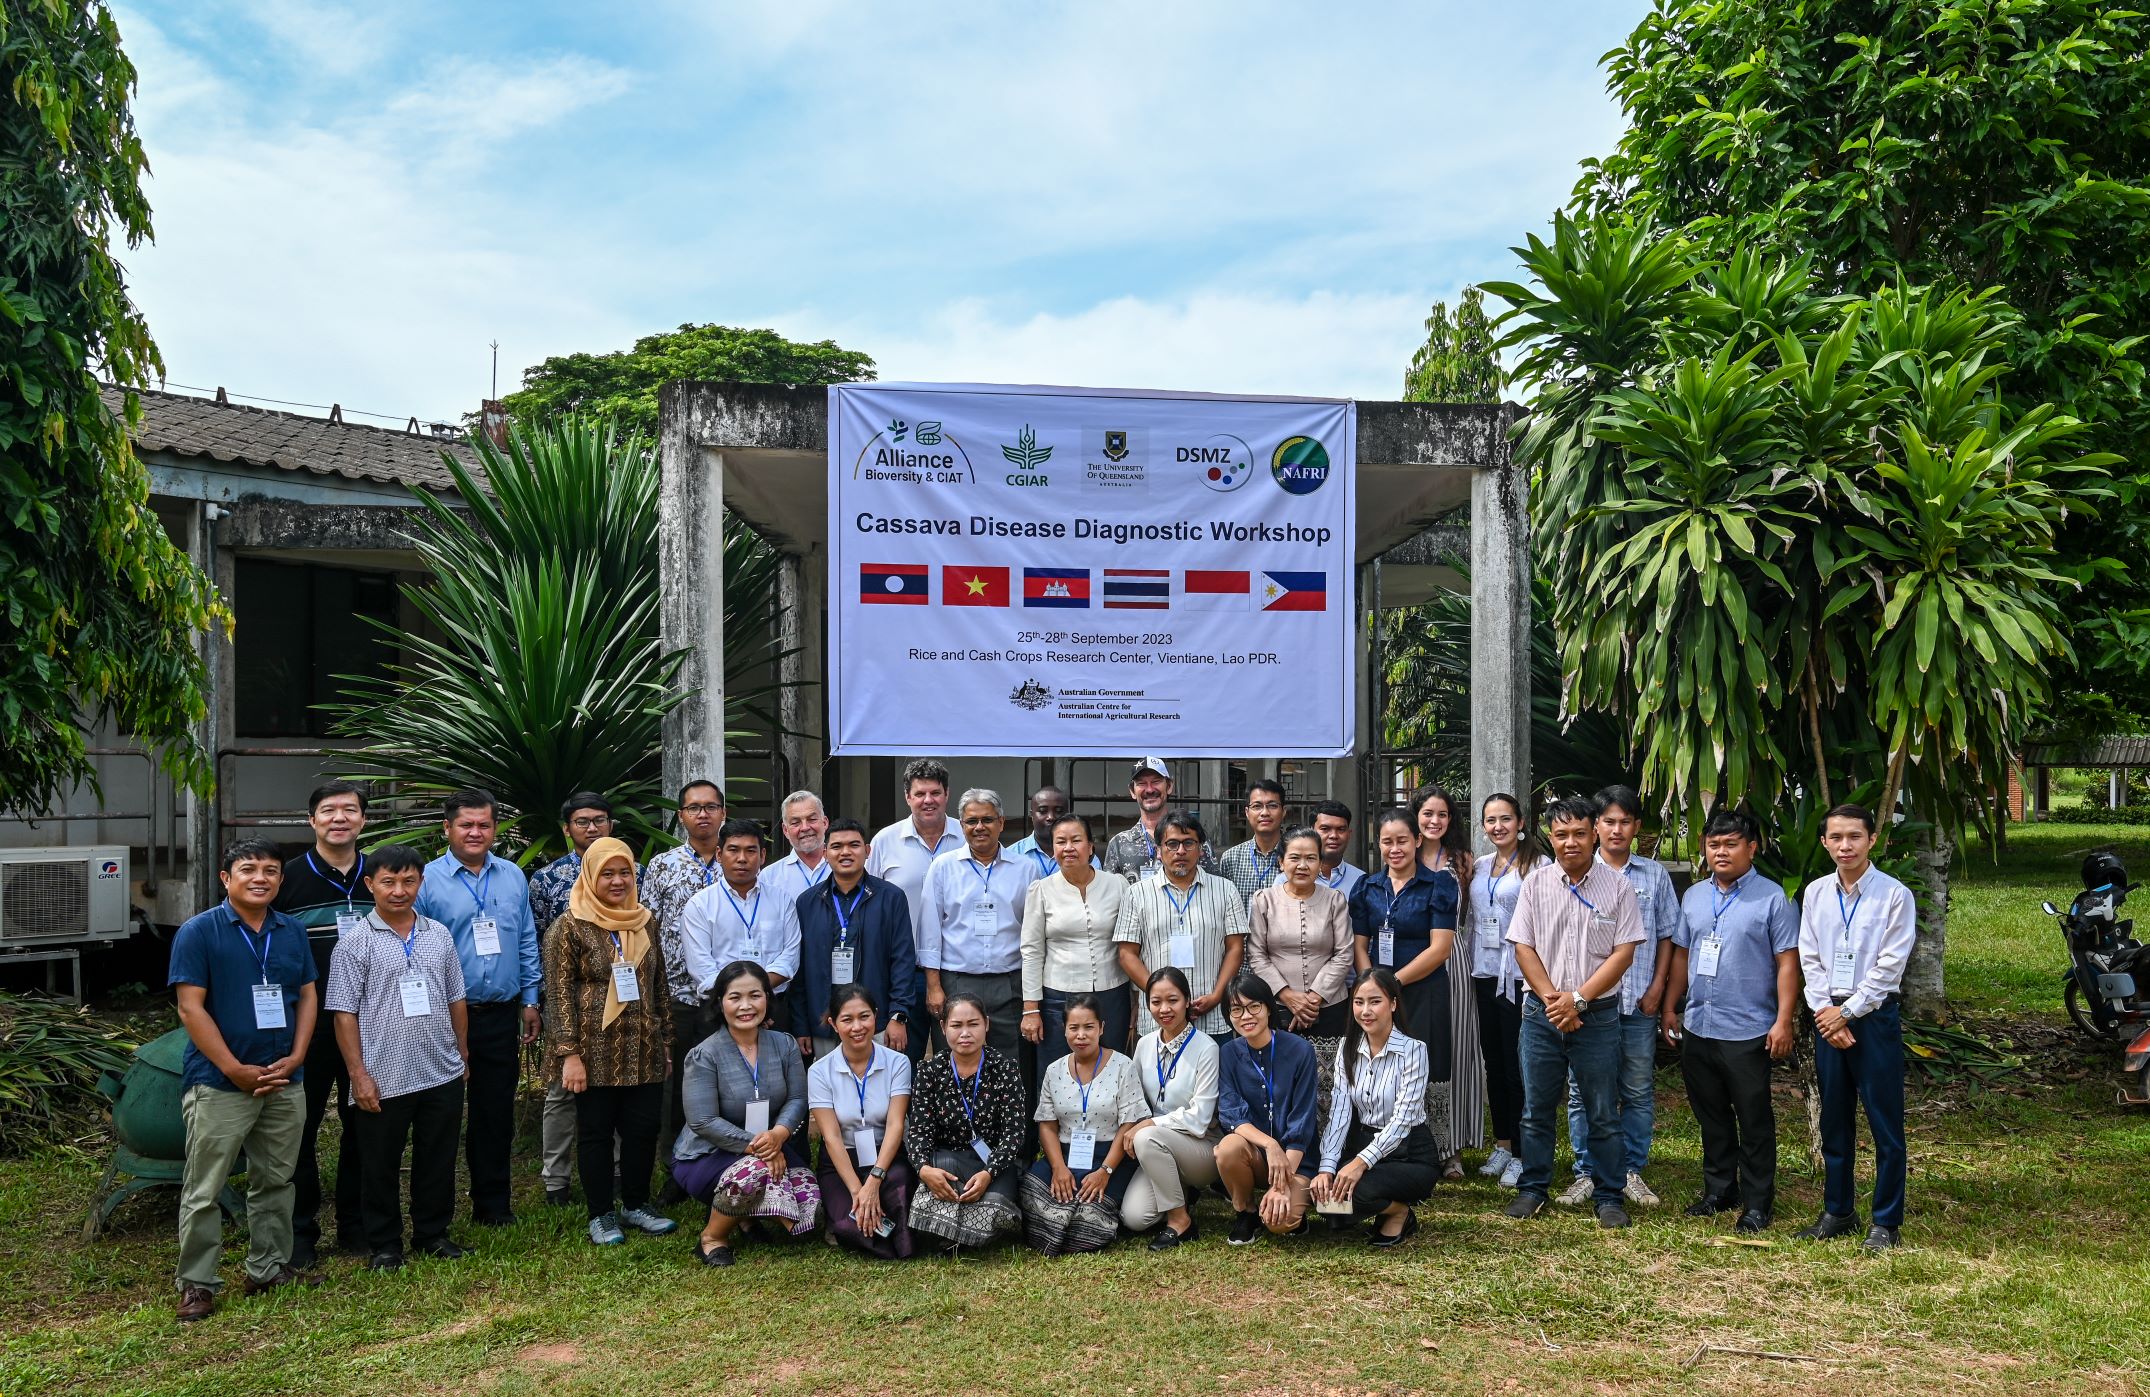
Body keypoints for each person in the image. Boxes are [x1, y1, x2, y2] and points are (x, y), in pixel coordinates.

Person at [170, 840, 320, 1321]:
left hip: (283, 1077)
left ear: (280, 879)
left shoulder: (291, 930)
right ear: (225, 878)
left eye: (271, 871)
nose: (261, 878)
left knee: (276, 1179)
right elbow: (189, 1006)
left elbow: (307, 994)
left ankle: (269, 1266)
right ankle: (197, 1283)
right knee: (205, 1187)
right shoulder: (199, 932)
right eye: (249, 869)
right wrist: (233, 1068)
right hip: (219, 1080)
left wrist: (298, 1055)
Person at [1503, 796, 1645, 1229]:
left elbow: (1624, 953)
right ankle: (1534, 1188)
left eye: (1579, 833)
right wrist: (1553, 1000)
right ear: (1550, 835)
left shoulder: (1618, 886)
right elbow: (1523, 945)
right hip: (1540, 1013)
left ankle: (1608, 1194)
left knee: (1602, 1109)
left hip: (1597, 1015)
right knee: (1536, 1107)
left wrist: (1578, 999)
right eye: (1561, 834)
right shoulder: (1536, 883)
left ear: (1594, 833)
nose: (1570, 842)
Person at [328, 844, 470, 1272]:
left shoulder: (438, 934)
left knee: (438, 1158)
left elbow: (456, 998)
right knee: (380, 1164)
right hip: (383, 1074)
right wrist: (358, 1073)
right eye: (388, 882)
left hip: (439, 1068)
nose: (399, 890)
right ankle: (385, 1245)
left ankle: (432, 1233)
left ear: (421, 883)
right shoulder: (355, 944)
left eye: (409, 881)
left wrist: (462, 1052)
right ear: (370, 884)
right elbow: (343, 1013)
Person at [1662, 807, 1798, 1234]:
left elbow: (1787, 963)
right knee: (1711, 1115)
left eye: (1731, 843)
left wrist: (1783, 1020)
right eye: (1714, 844)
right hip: (1699, 1024)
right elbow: (1682, 955)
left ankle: (1758, 1203)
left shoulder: (1773, 898)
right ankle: (1721, 1190)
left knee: (1754, 1118)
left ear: (1752, 847)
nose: (1721, 852)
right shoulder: (1695, 895)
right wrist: (1671, 1006)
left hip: (1748, 1028)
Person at [545, 837, 681, 1246]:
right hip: (593, 1051)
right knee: (596, 1134)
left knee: (642, 1130)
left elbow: (659, 986)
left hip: (642, 1048)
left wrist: (667, 1040)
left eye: (625, 872)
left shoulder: (645, 921)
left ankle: (636, 1204)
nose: (618, 881)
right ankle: (601, 1213)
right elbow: (558, 993)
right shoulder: (569, 926)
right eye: (608, 873)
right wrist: (568, 1054)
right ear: (590, 875)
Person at [413, 789, 538, 1228]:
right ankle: (435, 1212)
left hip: (501, 1012)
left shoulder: (512, 877)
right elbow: (415, 950)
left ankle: (493, 1205)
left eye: (484, 825)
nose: (475, 832)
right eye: (466, 824)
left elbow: (525, 939)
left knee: (495, 1112)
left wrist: (530, 998)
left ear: (495, 829)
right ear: (447, 829)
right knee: (442, 1116)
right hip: (443, 1016)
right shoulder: (424, 881)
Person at [1794, 803, 1915, 1251]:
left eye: (1855, 837)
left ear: (1872, 841)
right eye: (1836, 838)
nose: (1846, 846)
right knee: (1835, 1120)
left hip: (1873, 1017)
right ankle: (1838, 1210)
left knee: (1885, 1122)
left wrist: (1848, 1013)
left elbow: (1889, 967)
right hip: (1829, 1017)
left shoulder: (1894, 895)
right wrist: (1826, 1012)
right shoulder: (1817, 893)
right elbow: (1810, 957)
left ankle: (1886, 1221)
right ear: (1825, 842)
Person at [1558, 784, 1680, 1209]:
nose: (1616, 829)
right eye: (1608, 821)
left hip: (1636, 1004)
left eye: (1624, 822)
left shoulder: (1654, 875)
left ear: (1637, 827)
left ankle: (1629, 1169)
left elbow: (1667, 936)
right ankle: (1586, 1171)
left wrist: (1658, 990)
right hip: (1588, 1005)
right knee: (1583, 1090)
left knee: (1637, 1088)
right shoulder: (1577, 876)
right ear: (1595, 828)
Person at [270, 780, 370, 1268]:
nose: (339, 819)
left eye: (349, 810)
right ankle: (300, 1234)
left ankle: (356, 1226)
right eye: (328, 811)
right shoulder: (286, 878)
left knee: (363, 1129)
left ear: (363, 820)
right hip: (305, 1028)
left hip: (372, 1027)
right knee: (299, 1130)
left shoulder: (380, 875)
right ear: (312, 821)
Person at [672, 962, 818, 1266]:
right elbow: (702, 1121)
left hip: (770, 1144)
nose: (746, 1006)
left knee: (810, 1208)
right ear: (720, 1003)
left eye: (755, 995)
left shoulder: (785, 1044)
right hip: (707, 1154)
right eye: (735, 997)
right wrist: (758, 1148)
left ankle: (744, 1215)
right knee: (755, 1174)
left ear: (767, 997)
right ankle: (712, 1238)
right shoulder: (704, 1054)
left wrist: (778, 1135)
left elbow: (796, 1098)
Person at [526, 790, 622, 1210]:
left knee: (620, 1086)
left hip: (621, 1004)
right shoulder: (546, 880)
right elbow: (540, 943)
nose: (592, 828)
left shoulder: (631, 871)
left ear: (611, 825)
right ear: (567, 830)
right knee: (562, 1094)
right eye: (582, 821)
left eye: (599, 820)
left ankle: (616, 1171)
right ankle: (556, 1179)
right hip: (567, 1005)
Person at [1349, 810, 1455, 1165]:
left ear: (1417, 841)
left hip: (1423, 989)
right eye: (1387, 841)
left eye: (1402, 841)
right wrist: (1371, 989)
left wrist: (1392, 984)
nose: (1395, 849)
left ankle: (1436, 1150)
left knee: (1428, 1063)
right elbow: (1360, 945)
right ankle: (1384, 1145)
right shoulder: (1366, 887)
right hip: (1379, 996)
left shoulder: (1439, 884)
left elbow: (1440, 948)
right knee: (1382, 1064)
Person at [1311, 969, 1437, 1247]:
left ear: (1393, 1004)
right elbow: (1340, 1114)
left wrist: (1358, 1164)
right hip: (1365, 1144)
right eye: (1358, 1002)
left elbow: (1402, 1121)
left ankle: (1399, 1211)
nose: (1365, 1011)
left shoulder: (1414, 1050)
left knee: (1354, 1195)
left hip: (1409, 1153)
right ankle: (1381, 1203)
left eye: (1375, 1001)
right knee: (1324, 1200)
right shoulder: (1347, 1046)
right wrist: (1327, 1168)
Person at [640, 779, 729, 1166]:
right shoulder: (663, 865)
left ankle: (725, 1158)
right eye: (694, 808)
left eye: (710, 807)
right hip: (679, 996)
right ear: (681, 816)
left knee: (728, 1082)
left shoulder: (741, 859)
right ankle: (676, 1163)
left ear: (723, 813)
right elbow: (649, 930)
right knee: (678, 1085)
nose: (703, 814)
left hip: (732, 998)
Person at [1023, 994, 1146, 1255]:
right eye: (1074, 1028)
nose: (1081, 1035)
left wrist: (1105, 1172)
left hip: (1112, 1157)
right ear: (1064, 1030)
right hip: (1065, 1156)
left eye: (1089, 1027)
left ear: (1101, 1028)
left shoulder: (1123, 1066)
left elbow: (1129, 1124)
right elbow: (1047, 1124)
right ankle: (1063, 1219)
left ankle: (1070, 1225)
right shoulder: (1054, 1070)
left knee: (1088, 1214)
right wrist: (1058, 1168)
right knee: (1030, 1189)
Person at [918, 789, 1036, 1059]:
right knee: (955, 1061)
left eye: (987, 820)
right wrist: (934, 987)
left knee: (1010, 1062)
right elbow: (929, 930)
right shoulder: (943, 867)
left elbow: (1033, 932)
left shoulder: (1025, 868)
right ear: (961, 826)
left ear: (1001, 823)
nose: (979, 827)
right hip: (956, 981)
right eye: (971, 821)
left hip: (1009, 983)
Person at [905, 995, 1026, 1250]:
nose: (965, 1033)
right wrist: (924, 1169)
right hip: (949, 1161)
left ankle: (947, 1234)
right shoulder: (930, 1071)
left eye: (973, 1024)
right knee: (938, 1186)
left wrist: (988, 1173)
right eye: (956, 1025)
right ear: (942, 1028)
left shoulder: (1005, 1069)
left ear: (987, 1025)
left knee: (996, 1205)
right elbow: (918, 1130)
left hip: (992, 1164)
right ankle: (968, 1235)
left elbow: (1014, 1133)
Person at [806, 984, 917, 1259]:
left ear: (876, 1016)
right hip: (841, 1161)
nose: (857, 1026)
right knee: (849, 1224)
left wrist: (874, 1182)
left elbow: (895, 1126)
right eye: (847, 1019)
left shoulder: (898, 1063)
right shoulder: (820, 1071)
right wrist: (859, 1190)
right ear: (833, 1024)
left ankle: (892, 1232)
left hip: (887, 1159)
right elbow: (830, 1137)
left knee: (901, 1206)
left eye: (864, 1016)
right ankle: (846, 1223)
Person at [1467, 793, 1544, 1191]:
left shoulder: (1537, 866)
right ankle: (1501, 1144)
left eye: (1505, 819)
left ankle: (1522, 1152)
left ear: (1520, 822)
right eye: (1491, 820)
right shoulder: (1479, 866)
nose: (1498, 826)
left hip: (1519, 977)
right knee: (1493, 1062)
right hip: (1484, 972)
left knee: (1518, 1068)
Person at [791, 819, 917, 1061]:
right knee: (830, 1092)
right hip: (823, 1022)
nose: (846, 852)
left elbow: (902, 959)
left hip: (877, 1022)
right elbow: (799, 971)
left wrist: (898, 1015)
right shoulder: (807, 902)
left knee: (878, 1091)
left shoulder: (891, 898)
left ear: (867, 851)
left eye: (854, 845)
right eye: (837, 846)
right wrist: (801, 1025)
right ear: (826, 853)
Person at [1116, 810, 1246, 1041]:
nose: (1181, 851)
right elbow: (1127, 955)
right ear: (1158, 850)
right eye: (1172, 844)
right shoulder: (1136, 894)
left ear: (1201, 848)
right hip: (1158, 1019)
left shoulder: (1226, 890)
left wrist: (1216, 997)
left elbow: (1235, 948)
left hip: (1212, 1017)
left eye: (1189, 843)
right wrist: (1161, 997)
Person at [868, 758, 963, 1058]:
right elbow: (870, 904)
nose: (928, 800)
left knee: (955, 1059)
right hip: (902, 972)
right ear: (907, 797)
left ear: (947, 794)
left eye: (935, 793)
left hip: (955, 969)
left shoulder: (967, 838)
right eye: (920, 794)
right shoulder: (885, 841)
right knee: (900, 1059)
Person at [1021, 813, 1130, 1070]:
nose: (1068, 848)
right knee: (1058, 1070)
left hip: (1112, 993)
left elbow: (1131, 944)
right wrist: (1031, 1009)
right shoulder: (1041, 890)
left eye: (1076, 840)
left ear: (1091, 846)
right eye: (1060, 842)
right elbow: (1032, 951)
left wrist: (1136, 1000)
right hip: (1058, 995)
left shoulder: (1117, 885)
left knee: (1111, 1068)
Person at [1214, 975, 1318, 1244]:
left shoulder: (1300, 1050)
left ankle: (1291, 1204)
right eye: (1236, 1010)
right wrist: (1270, 1145)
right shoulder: (1228, 1053)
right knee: (1228, 1146)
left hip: (1297, 1160)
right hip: (1258, 1158)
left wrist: (1282, 1185)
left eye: (1253, 1007)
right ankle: (1246, 1211)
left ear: (1269, 1007)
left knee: (1281, 1223)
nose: (1245, 1016)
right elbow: (1231, 1114)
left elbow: (1303, 1121)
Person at [1122, 968, 1222, 1247]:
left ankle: (1181, 1221)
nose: (1164, 1009)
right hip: (1155, 1148)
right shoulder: (1144, 1045)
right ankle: (1181, 1191)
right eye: (1156, 1002)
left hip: (1201, 1147)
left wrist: (1149, 1124)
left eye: (1173, 1000)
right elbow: (1134, 1100)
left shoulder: (1206, 1048)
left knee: (1146, 1135)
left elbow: (1201, 1117)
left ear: (1187, 1001)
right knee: (1134, 1218)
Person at [1413, 785, 1480, 1178]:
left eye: (1442, 814)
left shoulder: (1462, 861)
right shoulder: (1402, 853)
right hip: (1410, 956)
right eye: (1427, 814)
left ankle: (1452, 1146)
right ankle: (1419, 1140)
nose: (1434, 821)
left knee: (1456, 1050)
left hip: (1451, 958)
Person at [1247, 827, 1354, 1040]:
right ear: (1281, 862)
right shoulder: (1263, 900)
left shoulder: (1335, 899)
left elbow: (1344, 953)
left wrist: (1314, 998)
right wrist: (1288, 997)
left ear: (1320, 862)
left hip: (1330, 1005)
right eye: (1295, 858)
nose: (1303, 866)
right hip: (1277, 1006)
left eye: (1311, 858)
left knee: (1328, 1071)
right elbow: (1256, 955)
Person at [681, 817, 803, 997]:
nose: (742, 859)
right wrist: (744, 996)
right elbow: (702, 968)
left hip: (775, 1002)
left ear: (762, 856)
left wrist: (756, 993)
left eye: (750, 851)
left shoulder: (782, 900)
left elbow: (789, 957)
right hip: (720, 1005)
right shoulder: (700, 905)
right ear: (719, 855)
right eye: (733, 850)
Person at [1103, 758, 1219, 882]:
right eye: (1141, 783)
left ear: (1169, 786)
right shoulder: (1119, 844)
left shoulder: (1195, 838)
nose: (1150, 790)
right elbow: (1110, 893)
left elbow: (1212, 887)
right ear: (1132, 791)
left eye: (1156, 782)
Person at [1219, 779, 1290, 909]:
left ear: (1283, 811)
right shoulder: (1230, 859)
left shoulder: (1294, 857)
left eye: (1272, 805)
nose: (1264, 813)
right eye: (1257, 806)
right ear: (1247, 812)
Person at [763, 790, 834, 910]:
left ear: (825, 822)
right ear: (785, 830)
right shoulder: (769, 877)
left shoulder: (848, 868)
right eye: (796, 823)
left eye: (812, 819)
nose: (805, 828)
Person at [1006, 785, 1097, 877]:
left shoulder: (1086, 857)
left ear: (1067, 814)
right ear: (1032, 815)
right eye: (1043, 811)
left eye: (1058, 811)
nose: (1050, 817)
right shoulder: (1011, 855)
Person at [1312, 800, 1366, 897]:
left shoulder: (1361, 881)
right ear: (1311, 832)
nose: (1333, 836)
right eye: (1325, 829)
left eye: (1341, 829)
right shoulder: (1288, 880)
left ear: (1349, 834)